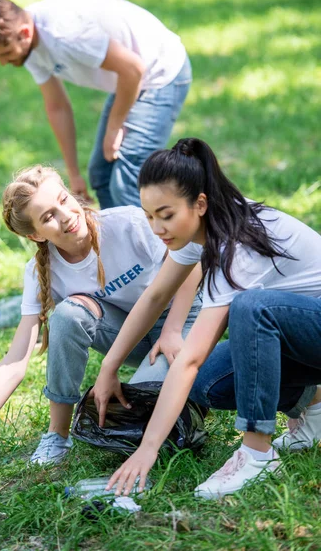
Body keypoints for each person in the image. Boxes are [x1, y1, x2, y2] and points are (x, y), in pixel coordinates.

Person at [0, 165, 202, 486]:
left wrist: (172, 330)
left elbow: (190, 259)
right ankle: (57, 436)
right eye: (48, 217)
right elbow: (14, 362)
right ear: (35, 235)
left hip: (182, 321)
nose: (66, 216)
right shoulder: (39, 272)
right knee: (69, 313)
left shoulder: (127, 223)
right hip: (130, 337)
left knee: (140, 419)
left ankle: (190, 385)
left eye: (63, 200)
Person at [90, 137, 321, 499]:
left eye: (166, 215)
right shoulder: (201, 233)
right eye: (149, 216)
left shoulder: (237, 246)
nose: (156, 228)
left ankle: (257, 452)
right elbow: (154, 297)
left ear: (200, 203)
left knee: (249, 308)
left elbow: (191, 357)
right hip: (305, 336)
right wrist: (109, 367)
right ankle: (314, 404)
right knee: (210, 382)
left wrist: (147, 448)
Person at [0, 0, 191, 208]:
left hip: (161, 72)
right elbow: (57, 107)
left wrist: (114, 127)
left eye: (5, 53)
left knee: (126, 183)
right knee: (101, 176)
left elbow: (134, 69)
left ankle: (159, 243)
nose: (3, 62)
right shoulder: (27, 46)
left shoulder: (64, 34)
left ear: (24, 33)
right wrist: (73, 174)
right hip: (129, 78)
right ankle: (121, 243)